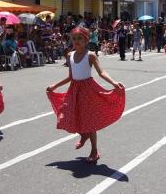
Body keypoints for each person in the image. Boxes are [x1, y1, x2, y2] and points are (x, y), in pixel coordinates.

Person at [46, 27, 125, 163]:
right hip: (74, 90)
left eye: (79, 39)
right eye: (74, 39)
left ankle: (94, 150)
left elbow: (101, 72)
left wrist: (113, 82)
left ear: (86, 40)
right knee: (70, 114)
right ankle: (84, 135)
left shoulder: (91, 55)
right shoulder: (70, 55)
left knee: (89, 121)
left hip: (88, 90)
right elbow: (70, 77)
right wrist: (55, 86)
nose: (76, 41)